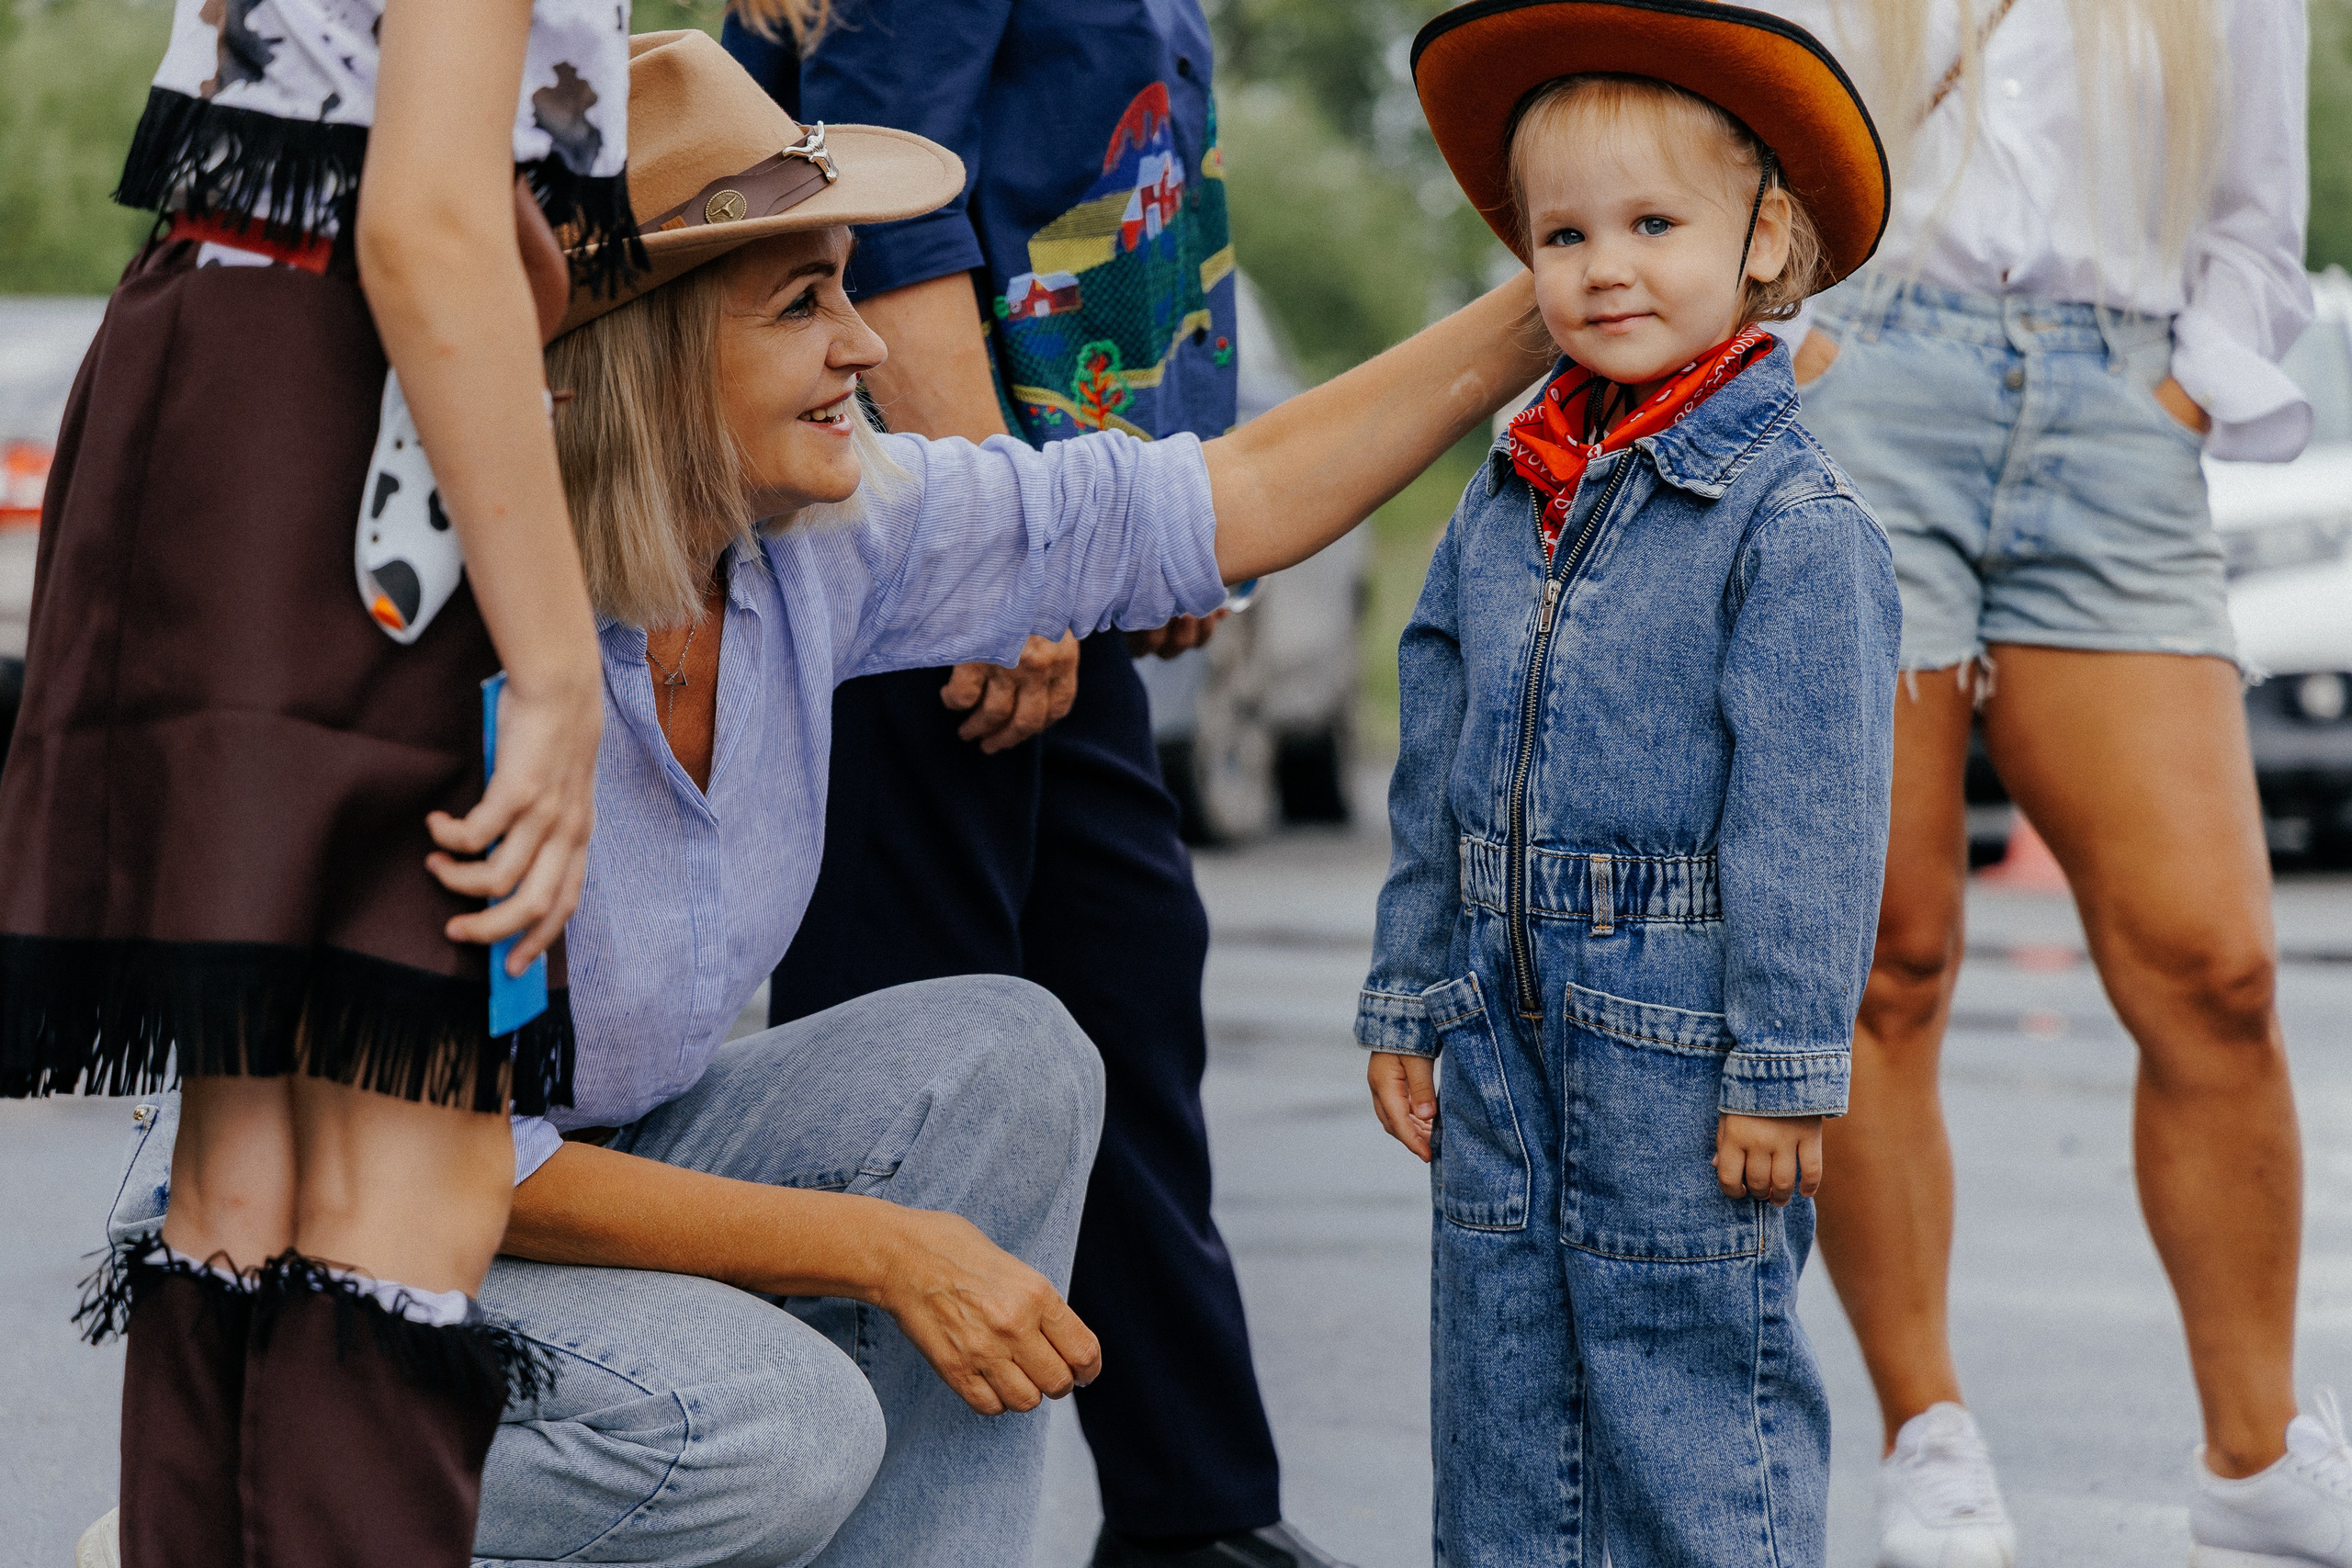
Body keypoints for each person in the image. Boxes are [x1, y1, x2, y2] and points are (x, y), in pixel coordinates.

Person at [81, 29, 1561, 1568]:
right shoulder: (445, 646)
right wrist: (879, 1248)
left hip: (590, 1163)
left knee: (1008, 1053)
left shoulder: (822, 548)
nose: (864, 345)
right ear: (637, 355)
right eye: (803, 304)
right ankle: (230, 1518)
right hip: (331, 1248)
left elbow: (1227, 499)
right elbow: (465, 1163)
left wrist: (1544, 305)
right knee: (769, 1425)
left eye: (851, 286)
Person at [0, 0, 638, 1561]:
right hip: (356, 436)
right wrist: (560, 674)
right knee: (401, 1179)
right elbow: (422, 222)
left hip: (236, 374)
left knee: (253, 1168)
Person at [718, 7, 1333, 1560]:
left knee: (1125, 1006)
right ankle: (848, 1524)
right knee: (913, 1063)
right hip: (933, 546)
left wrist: (1167, 486)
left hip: (1054, 522)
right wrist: (1024, 567)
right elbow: (882, 194)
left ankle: (1202, 1520)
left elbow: (1133, 184)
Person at [1754, 3, 2325, 1563]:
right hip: (1864, 383)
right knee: (1888, 955)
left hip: (2116, 413)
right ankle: (1927, 1432)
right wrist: (1788, 340)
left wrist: (2189, 392)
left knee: (2215, 965)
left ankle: (2258, 1452)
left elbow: (2259, 213)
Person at [1360, 4, 1901, 1562]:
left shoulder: (1792, 528)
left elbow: (1812, 822)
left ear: (1763, 238)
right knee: (1504, 1425)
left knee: (1689, 1428)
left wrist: (1786, 1064)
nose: (1605, 267)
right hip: (1500, 1053)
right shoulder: (1501, 495)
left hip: (1682, 1060)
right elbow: (1435, 761)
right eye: (1565, 233)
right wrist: (1410, 992)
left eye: (1655, 223)